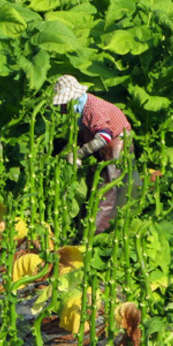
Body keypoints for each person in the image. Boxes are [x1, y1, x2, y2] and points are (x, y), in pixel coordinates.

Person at [51, 75, 138, 234]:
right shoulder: (81, 109)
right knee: (94, 185)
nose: (62, 108)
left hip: (116, 146)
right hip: (105, 148)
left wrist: (79, 154)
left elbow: (104, 137)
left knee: (106, 192)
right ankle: (85, 229)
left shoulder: (93, 109)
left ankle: (95, 235)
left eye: (63, 104)